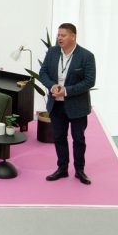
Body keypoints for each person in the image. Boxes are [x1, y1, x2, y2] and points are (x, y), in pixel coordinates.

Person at [38, 23, 96, 185]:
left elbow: (89, 81)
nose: (59, 38)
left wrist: (66, 90)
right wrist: (52, 86)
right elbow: (43, 73)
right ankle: (62, 169)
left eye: (63, 35)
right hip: (56, 105)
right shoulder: (52, 52)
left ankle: (80, 170)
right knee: (59, 137)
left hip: (77, 106)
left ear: (73, 36)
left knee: (78, 139)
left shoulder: (86, 56)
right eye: (58, 35)